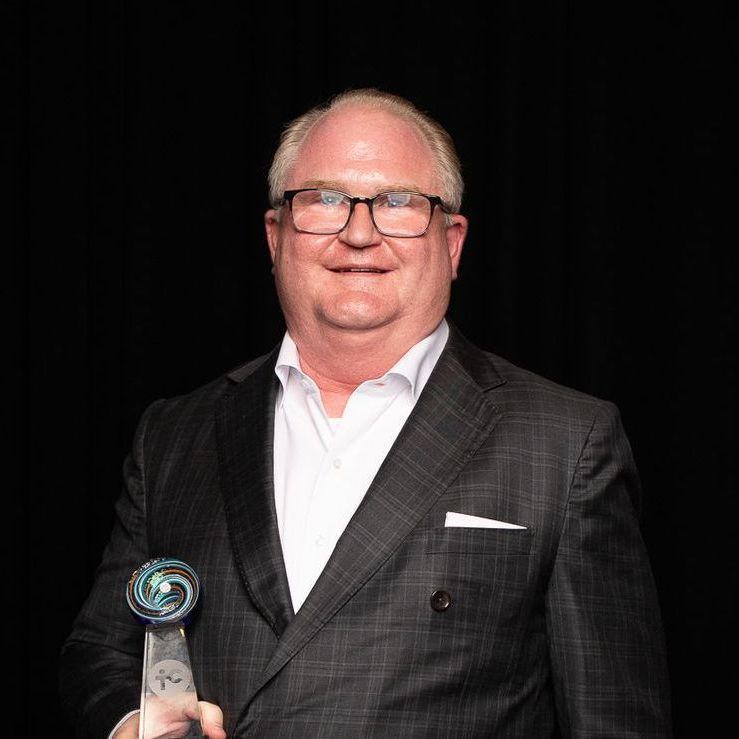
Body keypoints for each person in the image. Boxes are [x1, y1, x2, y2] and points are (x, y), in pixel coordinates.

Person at [60, 88, 672, 738]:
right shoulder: (175, 434)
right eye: (323, 199)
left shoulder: (565, 443)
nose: (358, 232)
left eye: (398, 202)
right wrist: (130, 720)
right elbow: (100, 648)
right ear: (275, 234)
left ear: (452, 241)